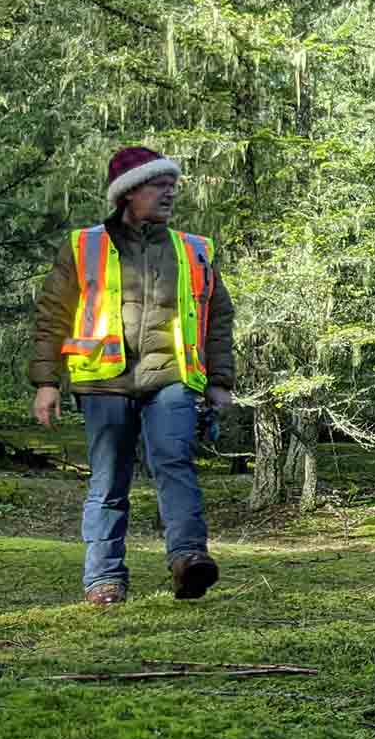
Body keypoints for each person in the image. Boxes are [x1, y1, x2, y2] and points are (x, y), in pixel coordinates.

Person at [29, 147, 235, 605]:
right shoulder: (84, 246)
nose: (170, 192)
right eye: (158, 184)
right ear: (128, 193)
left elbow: (218, 317)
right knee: (108, 481)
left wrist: (220, 381)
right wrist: (47, 382)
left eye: (171, 184)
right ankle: (103, 579)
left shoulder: (194, 249)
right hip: (104, 381)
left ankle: (188, 560)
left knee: (174, 464)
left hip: (171, 379)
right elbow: (52, 317)